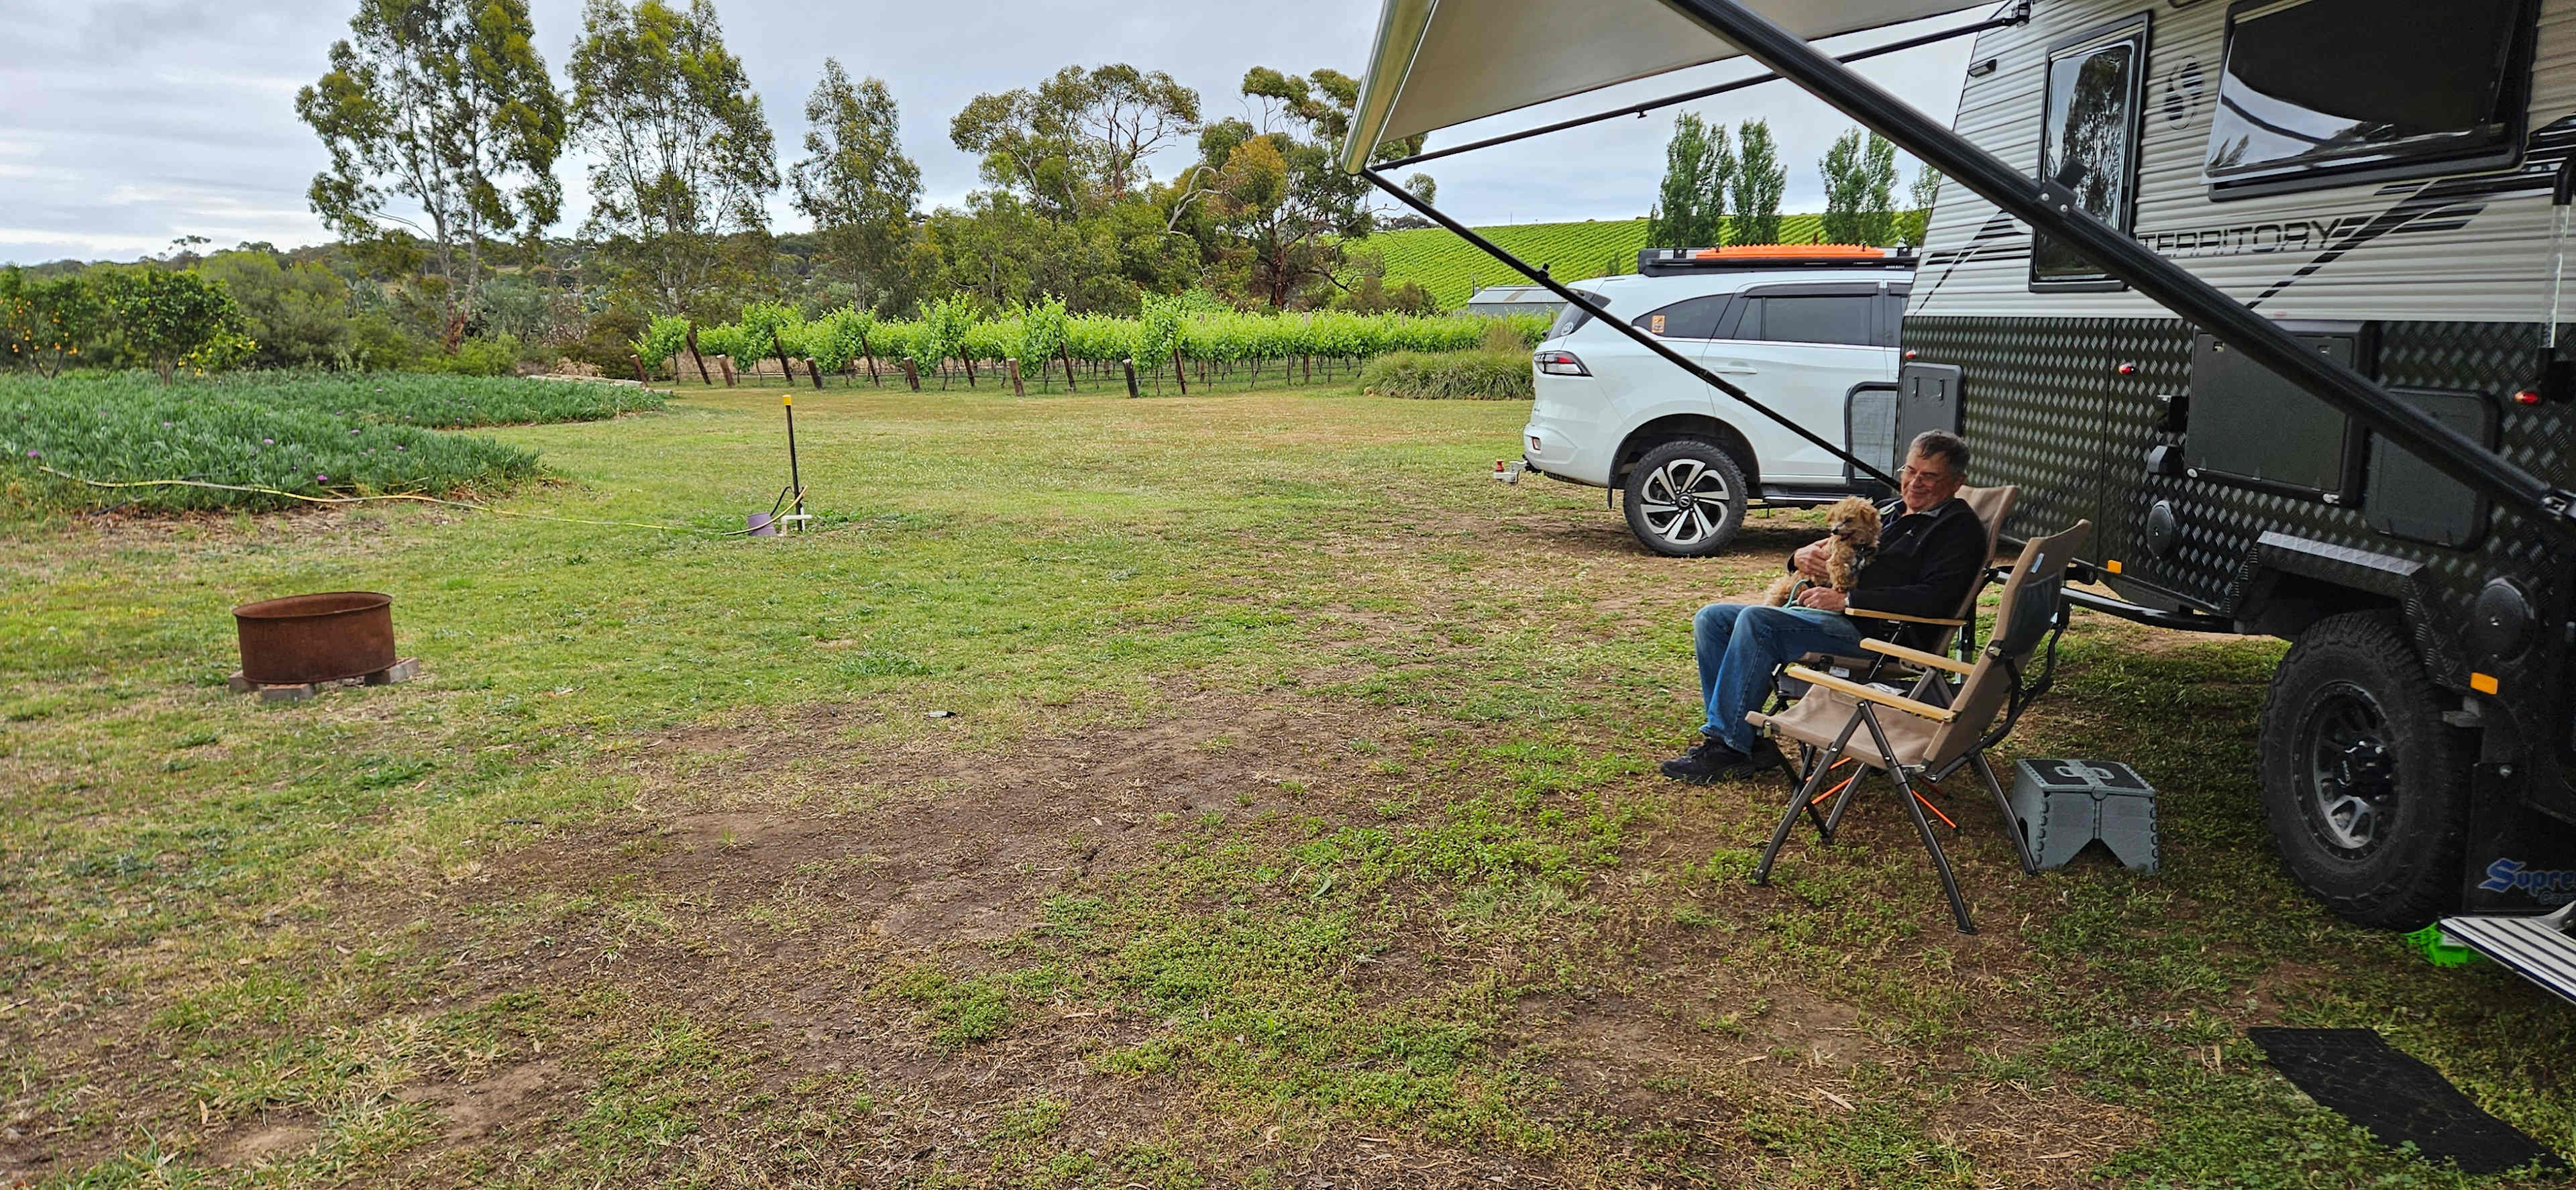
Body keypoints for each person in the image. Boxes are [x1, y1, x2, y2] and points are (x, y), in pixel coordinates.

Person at [1660, 430, 1988, 783]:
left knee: (1759, 622)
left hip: (1883, 634)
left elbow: (1937, 598)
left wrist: (1849, 600)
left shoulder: (1957, 529)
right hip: (1841, 617)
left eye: (1929, 476)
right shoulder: (1891, 513)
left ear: (1957, 483)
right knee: (1713, 619)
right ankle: (1749, 743)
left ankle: (1727, 746)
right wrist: (1799, 557)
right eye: (1909, 471)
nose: (1914, 483)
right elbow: (1833, 547)